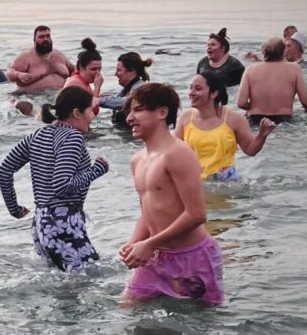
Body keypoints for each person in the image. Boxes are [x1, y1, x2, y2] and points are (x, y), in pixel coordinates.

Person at [122, 83, 224, 305]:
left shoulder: (178, 153)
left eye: (138, 110)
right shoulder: (137, 160)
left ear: (162, 112)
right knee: (128, 310)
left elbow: (196, 214)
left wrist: (149, 244)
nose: (129, 118)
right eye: (129, 111)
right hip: (155, 257)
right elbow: (147, 213)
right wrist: (135, 243)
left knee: (197, 327)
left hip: (192, 257)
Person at [0, 86, 109, 271]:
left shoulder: (37, 135)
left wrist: (14, 209)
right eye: (91, 110)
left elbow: (5, 170)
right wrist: (97, 169)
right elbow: (62, 185)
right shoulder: (73, 137)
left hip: (41, 224)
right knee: (90, 279)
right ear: (76, 113)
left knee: (66, 288)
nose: (93, 116)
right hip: (63, 225)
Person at [175, 72, 275, 181]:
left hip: (225, 182)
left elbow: (250, 151)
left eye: (198, 89)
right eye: (191, 88)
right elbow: (173, 153)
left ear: (214, 93)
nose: (191, 93)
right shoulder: (185, 118)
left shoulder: (234, 119)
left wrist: (261, 136)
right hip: (194, 182)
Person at [237, 37, 307, 122]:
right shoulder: (294, 69)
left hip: (255, 119)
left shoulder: (250, 69)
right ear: (283, 52)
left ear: (263, 52)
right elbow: (305, 102)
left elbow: (241, 103)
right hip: (284, 121)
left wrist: (256, 106)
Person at [7, 25, 74, 92]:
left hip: (60, 95)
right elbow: (10, 72)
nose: (45, 39)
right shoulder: (26, 56)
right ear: (34, 40)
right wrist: (19, 75)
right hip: (32, 97)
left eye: (48, 36)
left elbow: (75, 70)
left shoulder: (59, 55)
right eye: (41, 37)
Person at [98, 52, 153, 127]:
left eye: (119, 70)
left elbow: (127, 102)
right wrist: (100, 97)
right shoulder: (127, 89)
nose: (115, 74)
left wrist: (98, 101)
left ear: (131, 71)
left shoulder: (142, 89)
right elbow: (116, 99)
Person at [63, 38, 104, 114]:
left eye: (99, 69)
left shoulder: (83, 81)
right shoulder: (75, 83)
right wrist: (97, 87)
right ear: (81, 68)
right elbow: (93, 111)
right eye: (93, 69)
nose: (98, 73)